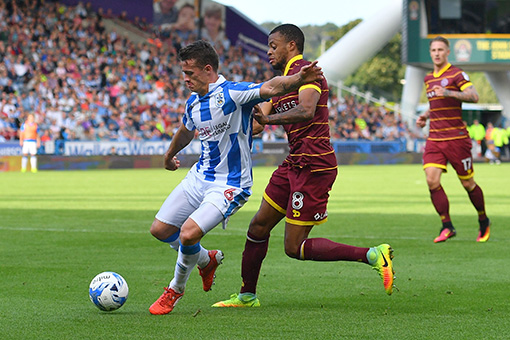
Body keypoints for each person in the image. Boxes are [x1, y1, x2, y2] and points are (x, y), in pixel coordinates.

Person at [213, 24, 395, 309]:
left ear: (292, 46)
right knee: (258, 226)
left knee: (293, 247)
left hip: (315, 165)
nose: (268, 51)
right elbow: (260, 124)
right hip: (294, 163)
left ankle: (373, 255)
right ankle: (247, 296)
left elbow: (306, 110)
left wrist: (268, 120)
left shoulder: (309, 73)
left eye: (274, 45)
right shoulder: (282, 81)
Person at [148, 39, 324, 315]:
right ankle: (207, 261)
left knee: (187, 234)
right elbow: (185, 131)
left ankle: (175, 290)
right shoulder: (193, 102)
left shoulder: (233, 93)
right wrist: (169, 156)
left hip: (230, 184)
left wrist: (298, 78)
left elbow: (270, 87)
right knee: (160, 230)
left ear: (208, 70)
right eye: (183, 74)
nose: (185, 79)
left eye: (190, 74)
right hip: (200, 177)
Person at [416, 36, 490, 243]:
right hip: (435, 138)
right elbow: (436, 103)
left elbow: (474, 96)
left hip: (457, 139)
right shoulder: (428, 78)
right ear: (430, 53)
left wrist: (448, 91)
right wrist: (425, 115)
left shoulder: (457, 74)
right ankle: (447, 226)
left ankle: (483, 220)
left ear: (448, 52)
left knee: (468, 183)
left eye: (440, 49)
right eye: (433, 50)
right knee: (431, 180)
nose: (437, 53)